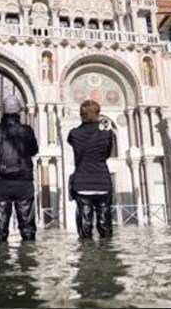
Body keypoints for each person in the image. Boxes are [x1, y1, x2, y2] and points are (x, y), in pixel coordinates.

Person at [0, 95, 39, 242]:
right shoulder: (27, 130)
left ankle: (1, 262)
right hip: (24, 183)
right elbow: (34, 151)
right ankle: (27, 261)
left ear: (3, 111)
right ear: (19, 111)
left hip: (1, 183)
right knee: (27, 227)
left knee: (0, 229)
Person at [68, 100, 115, 239]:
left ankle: (86, 255)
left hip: (82, 183)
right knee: (105, 224)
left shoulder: (74, 134)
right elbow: (106, 154)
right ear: (98, 114)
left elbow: (72, 141)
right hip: (102, 183)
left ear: (81, 115)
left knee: (85, 224)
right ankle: (106, 255)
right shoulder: (107, 134)